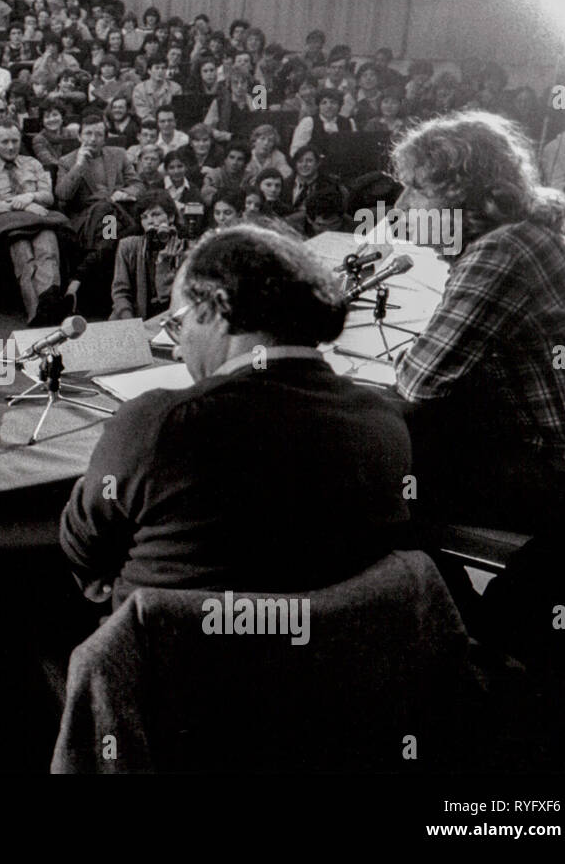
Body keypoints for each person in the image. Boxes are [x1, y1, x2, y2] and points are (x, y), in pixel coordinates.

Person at [62, 223, 412, 607]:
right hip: (335, 658)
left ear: (216, 308)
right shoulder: (385, 421)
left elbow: (85, 550)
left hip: (172, 658)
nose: (178, 350)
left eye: (177, 323)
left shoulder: (157, 424)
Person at [390, 111, 565, 550]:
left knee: (386, 476)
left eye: (416, 189)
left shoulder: (500, 251)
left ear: (463, 197)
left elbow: (418, 383)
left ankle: (434, 603)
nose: (399, 207)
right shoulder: (523, 233)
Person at [0, 118, 66, 326]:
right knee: (23, 253)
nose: (11, 146)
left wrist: (30, 197)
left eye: (14, 141)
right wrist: (21, 204)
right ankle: (35, 311)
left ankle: (48, 302)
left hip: (39, 222)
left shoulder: (33, 164)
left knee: (47, 245)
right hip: (9, 227)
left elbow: (48, 197)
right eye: (4, 142)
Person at [55, 113, 143, 316]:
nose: (93, 139)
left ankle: (78, 280)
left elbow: (137, 184)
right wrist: (79, 166)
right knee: (105, 210)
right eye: (88, 134)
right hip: (86, 221)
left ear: (105, 137)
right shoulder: (67, 162)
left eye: (98, 134)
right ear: (79, 137)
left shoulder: (118, 155)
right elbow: (62, 195)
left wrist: (125, 193)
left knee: (109, 219)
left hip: (116, 217)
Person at [110, 189, 186, 320]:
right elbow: (120, 292)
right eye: (144, 217)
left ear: (171, 217)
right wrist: (130, 322)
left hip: (168, 319)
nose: (150, 221)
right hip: (133, 317)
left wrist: (163, 265)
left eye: (156, 214)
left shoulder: (184, 249)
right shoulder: (127, 246)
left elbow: (169, 299)